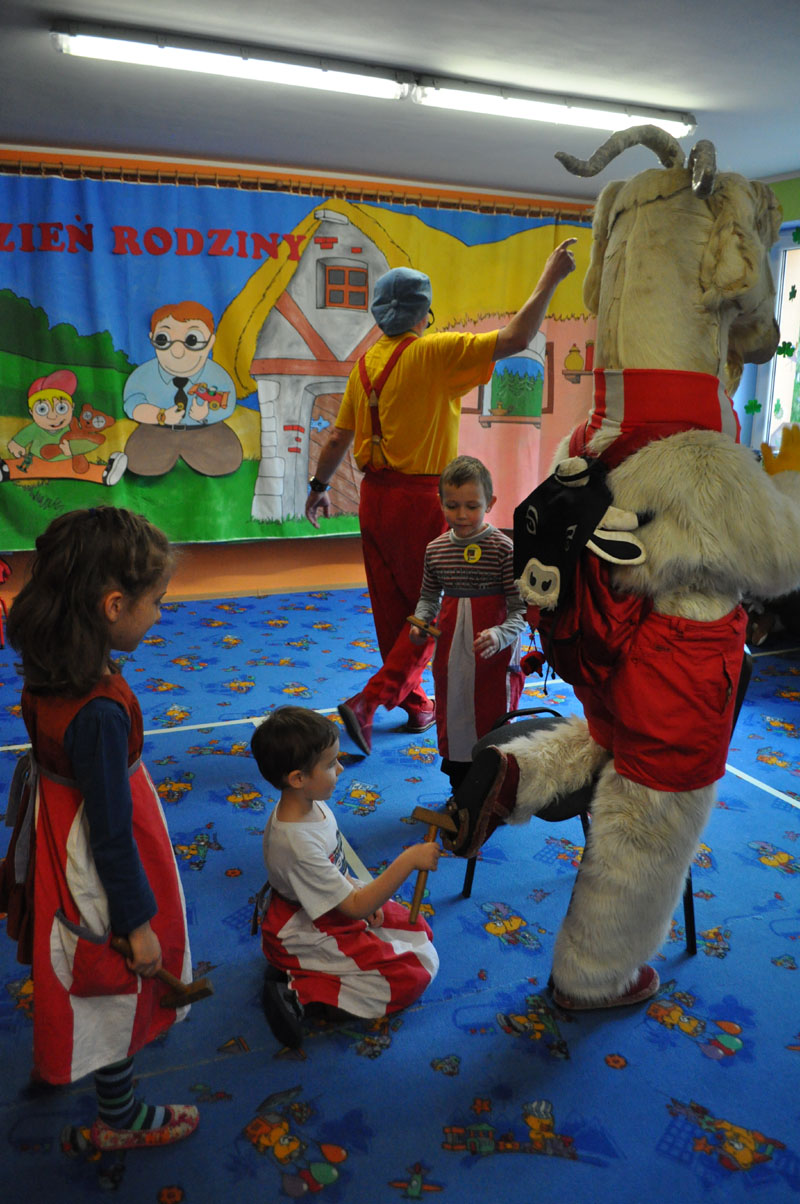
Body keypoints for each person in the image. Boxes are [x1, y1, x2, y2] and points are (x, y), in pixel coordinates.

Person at [305, 241, 576, 755]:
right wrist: (550, 275)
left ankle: (415, 705)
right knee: (435, 609)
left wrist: (319, 489)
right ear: (423, 314)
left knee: (394, 608)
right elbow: (518, 338)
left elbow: (338, 438)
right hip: (420, 503)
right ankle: (370, 702)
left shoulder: (364, 367)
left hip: (373, 499)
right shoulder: (434, 351)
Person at [4, 506, 199, 1151]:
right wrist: (137, 924)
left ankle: (58, 1050)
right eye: (157, 602)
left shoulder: (51, 666)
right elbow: (112, 835)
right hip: (94, 848)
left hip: (58, 827)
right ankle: (119, 1117)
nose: (161, 615)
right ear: (113, 606)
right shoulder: (100, 712)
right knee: (112, 973)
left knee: (67, 951)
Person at [252, 706, 440, 1047]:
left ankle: (301, 968)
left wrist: (357, 892)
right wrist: (409, 860)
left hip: (328, 903)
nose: (340, 768)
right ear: (298, 779)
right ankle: (300, 993)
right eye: (330, 764)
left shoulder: (309, 804)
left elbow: (335, 872)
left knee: (416, 930)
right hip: (306, 923)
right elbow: (353, 907)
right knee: (410, 974)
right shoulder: (295, 843)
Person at [410, 456, 527, 791]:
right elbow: (429, 597)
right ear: (440, 502)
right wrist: (421, 621)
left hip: (493, 654)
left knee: (493, 714)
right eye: (453, 505)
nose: (461, 515)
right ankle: (460, 787)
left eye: (472, 506)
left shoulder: (504, 549)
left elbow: (520, 610)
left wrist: (500, 635)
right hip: (451, 653)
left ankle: (495, 788)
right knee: (454, 712)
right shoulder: (436, 550)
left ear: (490, 503)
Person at [122, 301, 242, 477]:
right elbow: (133, 405)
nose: (177, 352)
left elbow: (227, 402)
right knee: (138, 460)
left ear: (210, 342)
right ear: (152, 338)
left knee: (228, 458)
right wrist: (161, 416)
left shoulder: (218, 376)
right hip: (156, 431)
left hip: (206, 431)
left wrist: (206, 415)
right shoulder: (143, 375)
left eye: (192, 340)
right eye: (163, 340)